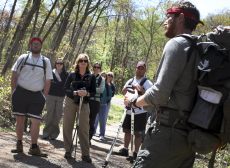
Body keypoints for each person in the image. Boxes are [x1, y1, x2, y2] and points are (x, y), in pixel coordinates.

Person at [124, 1, 205, 167]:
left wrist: (133, 101)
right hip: (189, 138)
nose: (165, 22)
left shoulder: (177, 44)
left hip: (167, 135)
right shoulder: (200, 48)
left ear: (181, 18)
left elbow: (160, 94)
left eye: (169, 17)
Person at [11, 36, 53, 157]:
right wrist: (13, 92)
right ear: (30, 45)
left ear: (41, 46)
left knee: (36, 121)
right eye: (33, 43)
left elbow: (48, 81)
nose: (36, 45)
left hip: (37, 95)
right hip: (20, 92)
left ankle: (34, 147)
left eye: (38, 44)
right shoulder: (23, 58)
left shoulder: (46, 61)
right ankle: (19, 145)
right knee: (20, 119)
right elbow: (14, 74)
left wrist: (43, 97)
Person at [114, 61, 153, 161]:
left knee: (138, 133)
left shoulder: (147, 82)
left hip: (140, 111)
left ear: (145, 70)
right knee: (127, 130)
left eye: (142, 69)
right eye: (138, 68)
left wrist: (142, 91)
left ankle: (135, 153)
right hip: (128, 110)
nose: (139, 70)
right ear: (135, 69)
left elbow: (151, 97)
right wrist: (125, 89)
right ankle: (125, 149)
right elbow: (123, 92)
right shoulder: (130, 80)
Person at [63, 53, 96, 163]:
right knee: (68, 127)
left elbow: (93, 92)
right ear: (77, 62)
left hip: (84, 103)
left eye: (85, 61)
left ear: (87, 63)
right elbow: (65, 89)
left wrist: (86, 94)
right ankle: (68, 150)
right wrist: (75, 92)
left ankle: (85, 154)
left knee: (84, 129)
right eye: (81, 60)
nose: (83, 62)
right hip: (70, 101)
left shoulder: (91, 76)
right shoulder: (71, 74)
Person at [43, 58, 69, 140]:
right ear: (55, 64)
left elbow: (65, 85)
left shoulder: (66, 74)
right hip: (50, 96)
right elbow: (49, 83)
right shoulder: (50, 72)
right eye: (57, 63)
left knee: (58, 116)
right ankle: (46, 133)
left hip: (61, 97)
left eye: (61, 63)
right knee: (49, 115)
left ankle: (54, 134)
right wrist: (59, 84)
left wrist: (56, 84)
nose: (59, 64)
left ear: (63, 64)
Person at [89, 62, 105, 145]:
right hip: (87, 100)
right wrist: (96, 89)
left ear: (100, 69)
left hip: (96, 102)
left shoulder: (102, 79)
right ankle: (82, 137)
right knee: (84, 120)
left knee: (92, 121)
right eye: (95, 67)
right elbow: (87, 88)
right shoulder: (89, 76)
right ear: (92, 67)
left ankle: (88, 138)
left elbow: (101, 90)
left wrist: (92, 89)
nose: (96, 68)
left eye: (98, 67)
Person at [94, 72, 112, 140]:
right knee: (95, 119)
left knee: (102, 120)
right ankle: (93, 132)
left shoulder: (108, 86)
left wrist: (105, 100)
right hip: (96, 103)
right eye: (102, 76)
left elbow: (110, 95)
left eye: (105, 76)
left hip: (103, 105)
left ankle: (101, 134)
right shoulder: (97, 84)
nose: (103, 77)